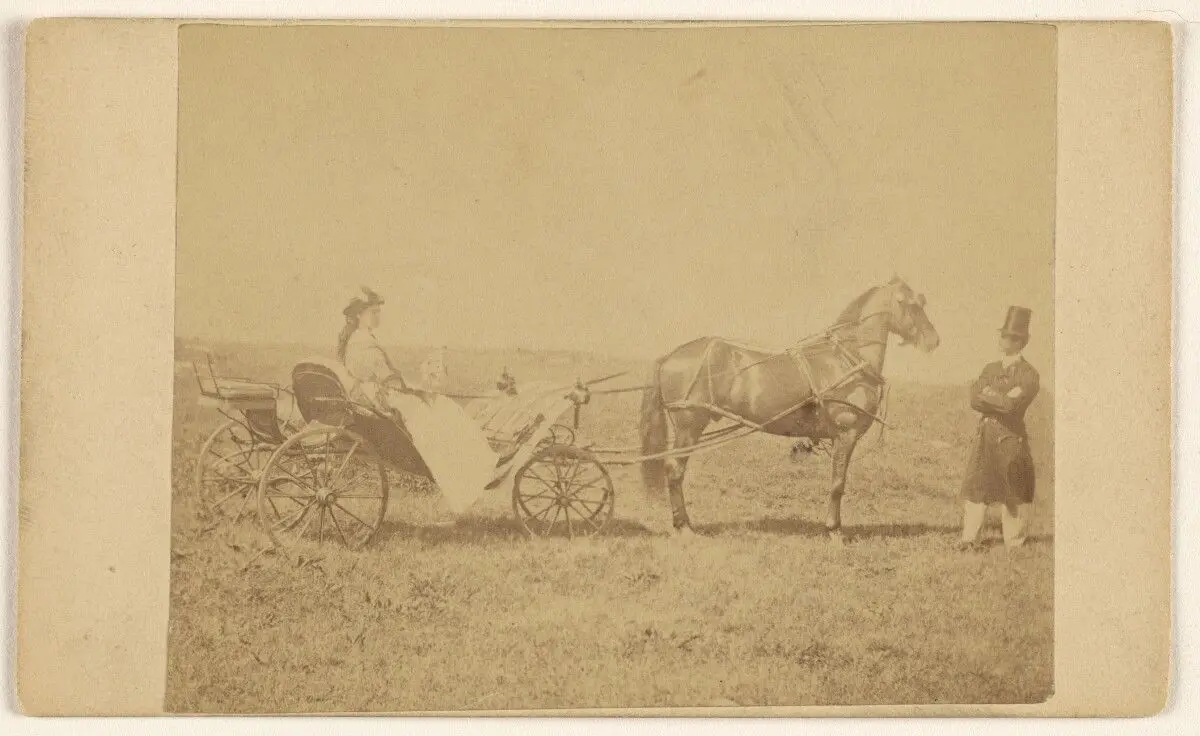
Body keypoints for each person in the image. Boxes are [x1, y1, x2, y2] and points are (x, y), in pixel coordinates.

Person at [337, 287, 499, 514]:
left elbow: (384, 375)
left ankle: (468, 468)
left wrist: (410, 387)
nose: (377, 316)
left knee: (438, 405)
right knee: (442, 410)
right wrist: (411, 390)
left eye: (378, 312)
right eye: (372, 312)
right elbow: (386, 376)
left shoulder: (357, 339)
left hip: (376, 394)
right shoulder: (363, 342)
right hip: (382, 397)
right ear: (358, 316)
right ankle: (467, 474)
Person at [957, 306, 1041, 550]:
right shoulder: (990, 369)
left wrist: (989, 395)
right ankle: (969, 540)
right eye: (1003, 335)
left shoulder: (1029, 374)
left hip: (1011, 439)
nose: (1004, 340)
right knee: (976, 489)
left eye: (1010, 337)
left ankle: (1014, 545)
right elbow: (974, 398)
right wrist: (999, 396)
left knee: (1013, 493)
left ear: (1021, 341)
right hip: (985, 437)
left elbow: (1012, 407)